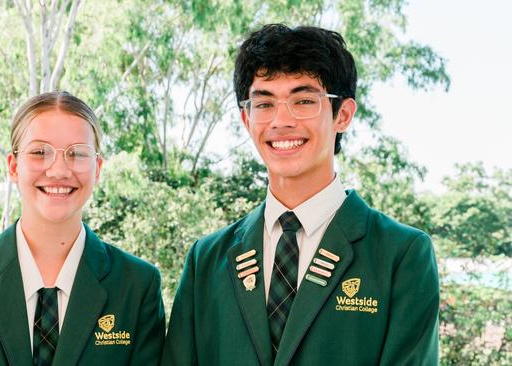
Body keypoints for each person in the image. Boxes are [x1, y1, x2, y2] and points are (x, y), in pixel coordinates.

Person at [161, 24, 439, 365]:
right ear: (246, 119)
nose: (282, 120)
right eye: (264, 104)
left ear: (344, 114)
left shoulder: (401, 255)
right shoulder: (207, 260)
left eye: (304, 100)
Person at [0, 91, 165, 366]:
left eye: (77, 153)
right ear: (13, 166)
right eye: (39, 152)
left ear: (97, 168)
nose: (59, 170)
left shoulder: (138, 285)